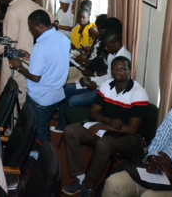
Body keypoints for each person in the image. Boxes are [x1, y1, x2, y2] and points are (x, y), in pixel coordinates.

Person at [103, 74, 172, 197]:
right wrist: (153, 159)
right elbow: (158, 142)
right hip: (159, 174)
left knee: (150, 196)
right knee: (113, 182)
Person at [63, 57, 149, 197]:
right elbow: (93, 112)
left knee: (103, 144)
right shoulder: (107, 85)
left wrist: (101, 126)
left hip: (130, 137)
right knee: (70, 131)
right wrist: (107, 122)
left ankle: (88, 186)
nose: (118, 71)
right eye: (115, 68)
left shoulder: (138, 93)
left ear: (129, 71)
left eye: (123, 68)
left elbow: (132, 129)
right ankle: (79, 177)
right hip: (108, 128)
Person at [8, 9, 70, 142]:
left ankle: (41, 158)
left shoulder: (41, 46)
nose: (31, 32)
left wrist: (18, 66)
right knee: (43, 126)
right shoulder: (63, 38)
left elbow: (36, 77)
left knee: (38, 132)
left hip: (40, 98)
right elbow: (52, 62)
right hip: (56, 94)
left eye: (32, 29)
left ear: (41, 27)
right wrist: (31, 58)